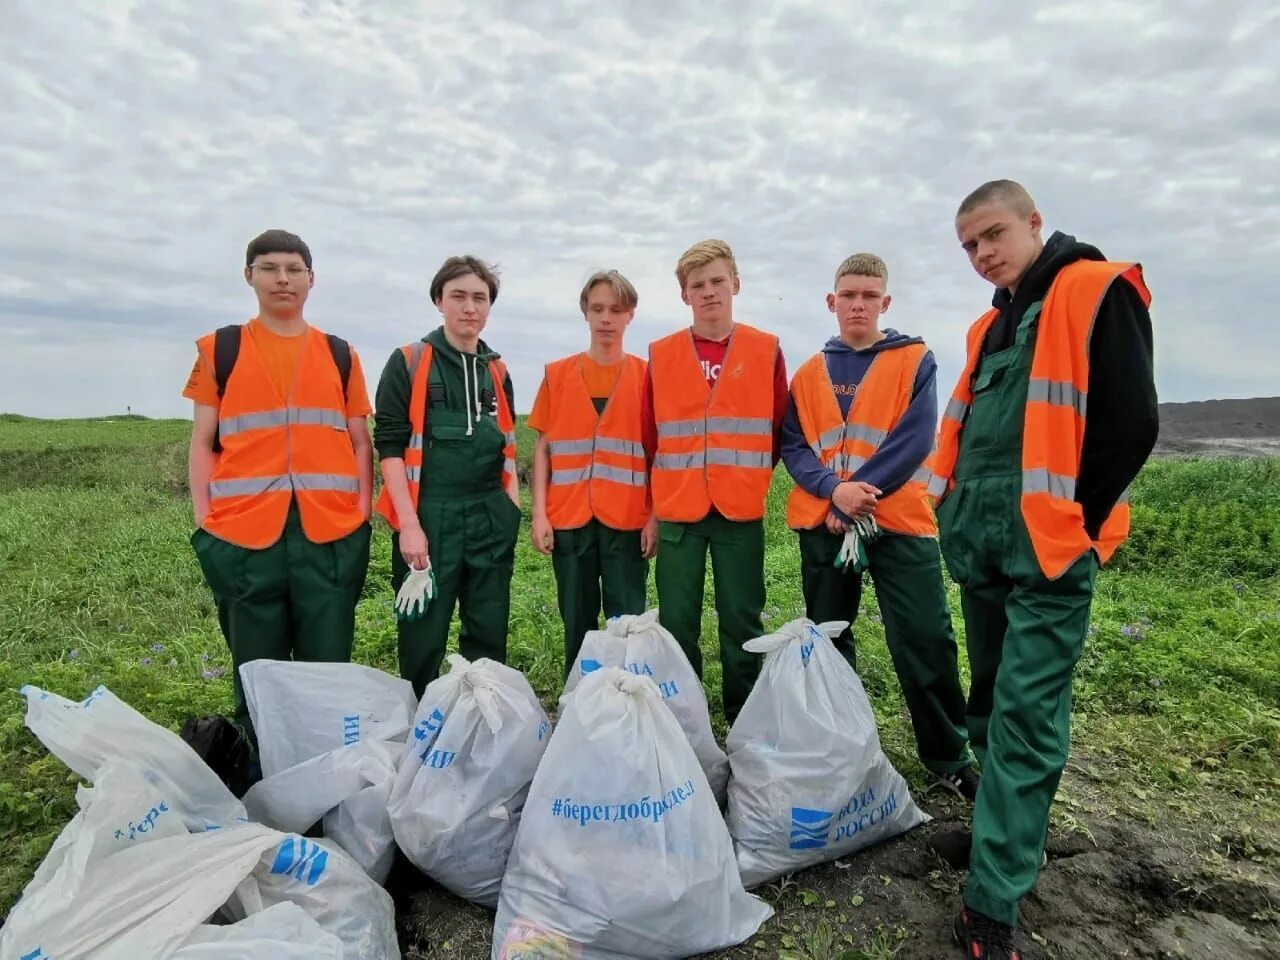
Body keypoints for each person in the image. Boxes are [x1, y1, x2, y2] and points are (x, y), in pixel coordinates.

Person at [932, 181, 1157, 959]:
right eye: (969, 245)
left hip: (1050, 550)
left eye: (992, 234)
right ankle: (999, 834)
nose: (982, 253)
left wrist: (1077, 523)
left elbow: (1133, 421)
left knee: (1026, 716)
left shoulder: (1096, 289)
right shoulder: (987, 326)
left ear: (1033, 222)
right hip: (984, 545)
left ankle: (992, 901)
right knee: (990, 701)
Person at [780, 252, 979, 799]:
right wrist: (833, 490)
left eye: (869, 296)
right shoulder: (808, 373)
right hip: (825, 522)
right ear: (832, 301)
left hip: (897, 521)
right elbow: (794, 445)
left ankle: (947, 754)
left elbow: (914, 438)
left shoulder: (915, 360)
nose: (858, 305)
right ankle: (839, 746)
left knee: (925, 636)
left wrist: (854, 498)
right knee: (828, 636)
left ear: (885, 302)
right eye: (849, 295)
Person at [184, 229, 374, 748]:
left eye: (294, 269)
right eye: (269, 268)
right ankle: (259, 767)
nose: (282, 279)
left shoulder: (340, 354)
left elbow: (360, 441)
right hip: (244, 537)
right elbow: (201, 441)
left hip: (327, 534)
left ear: (312, 279)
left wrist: (360, 511)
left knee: (327, 669)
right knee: (256, 672)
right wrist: (205, 518)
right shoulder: (220, 349)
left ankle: (325, 767)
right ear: (250, 276)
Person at [641, 239, 788, 723]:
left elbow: (777, 428)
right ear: (684, 294)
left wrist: (744, 480)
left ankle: (743, 717)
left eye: (717, 281)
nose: (708, 292)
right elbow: (649, 437)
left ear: (735, 284)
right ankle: (684, 719)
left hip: (738, 512)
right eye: (697, 285)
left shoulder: (765, 350)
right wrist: (653, 509)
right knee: (677, 621)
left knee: (742, 619)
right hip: (678, 512)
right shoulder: (662, 354)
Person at [373, 255, 520, 698]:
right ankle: (419, 716)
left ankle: (483, 716)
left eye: (479, 297)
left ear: (489, 305)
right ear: (439, 301)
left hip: (489, 514)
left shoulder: (497, 371)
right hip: (430, 516)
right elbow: (390, 447)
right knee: (422, 630)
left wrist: (510, 512)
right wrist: (409, 525)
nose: (469, 307)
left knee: (489, 629)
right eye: (458, 296)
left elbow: (508, 447)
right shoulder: (409, 362)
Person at [528, 270, 657, 675]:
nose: (606, 318)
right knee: (576, 620)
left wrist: (654, 516)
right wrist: (539, 514)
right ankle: (579, 697)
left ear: (630, 315)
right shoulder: (557, 375)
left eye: (616, 310)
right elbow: (543, 449)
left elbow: (659, 453)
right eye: (598, 308)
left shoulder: (648, 377)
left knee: (628, 622)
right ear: (585, 311)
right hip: (570, 521)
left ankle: (626, 695)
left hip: (627, 522)